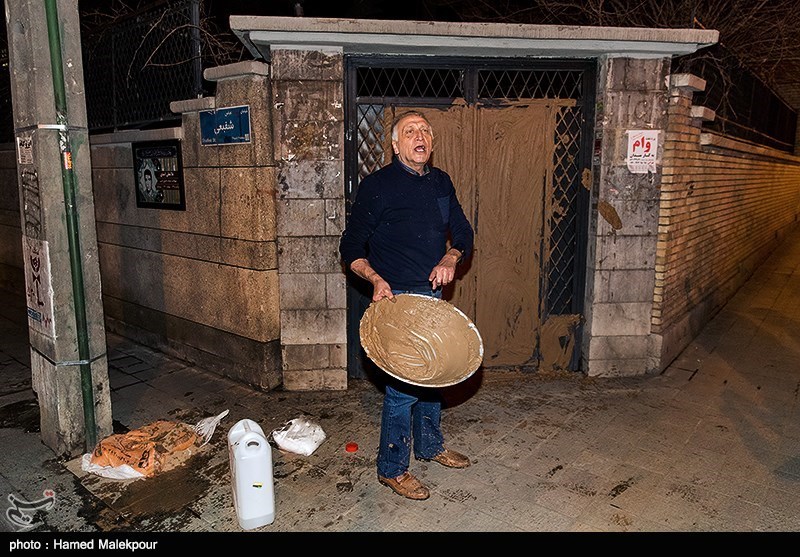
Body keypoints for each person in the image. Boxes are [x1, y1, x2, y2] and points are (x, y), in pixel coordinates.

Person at [339, 110, 475, 500]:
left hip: (430, 298)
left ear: (431, 143)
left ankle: (430, 447)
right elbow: (351, 246)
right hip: (393, 301)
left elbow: (463, 230)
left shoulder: (440, 182)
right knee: (403, 390)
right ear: (396, 145)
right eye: (410, 131)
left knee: (434, 377)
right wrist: (375, 279)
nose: (420, 137)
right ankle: (392, 469)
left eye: (425, 131)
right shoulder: (378, 186)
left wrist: (451, 257)